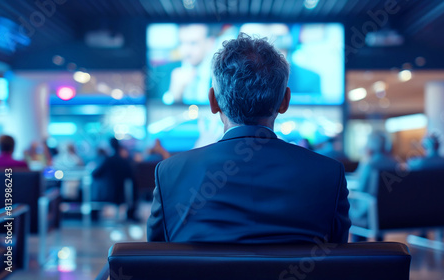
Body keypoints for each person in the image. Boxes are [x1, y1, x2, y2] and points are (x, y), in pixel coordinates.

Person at [148, 33, 350, 244]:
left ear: (213, 101)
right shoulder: (329, 175)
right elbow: (337, 258)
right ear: (285, 102)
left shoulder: (170, 174)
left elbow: (154, 260)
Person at [154, 24, 219, 104]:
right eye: (182, 43)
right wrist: (173, 95)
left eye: (193, 43)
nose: (186, 50)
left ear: (210, 43)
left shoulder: (222, 73)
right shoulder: (162, 71)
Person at [350, 132, 398, 221]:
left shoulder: (369, 164)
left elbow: (362, 189)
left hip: (369, 210)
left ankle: (358, 234)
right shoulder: (395, 163)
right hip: (391, 210)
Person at [92, 138, 137, 221]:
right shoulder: (124, 161)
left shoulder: (108, 160)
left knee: (94, 187)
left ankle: (93, 216)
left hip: (107, 193)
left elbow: (95, 174)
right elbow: (131, 176)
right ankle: (131, 214)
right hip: (121, 194)